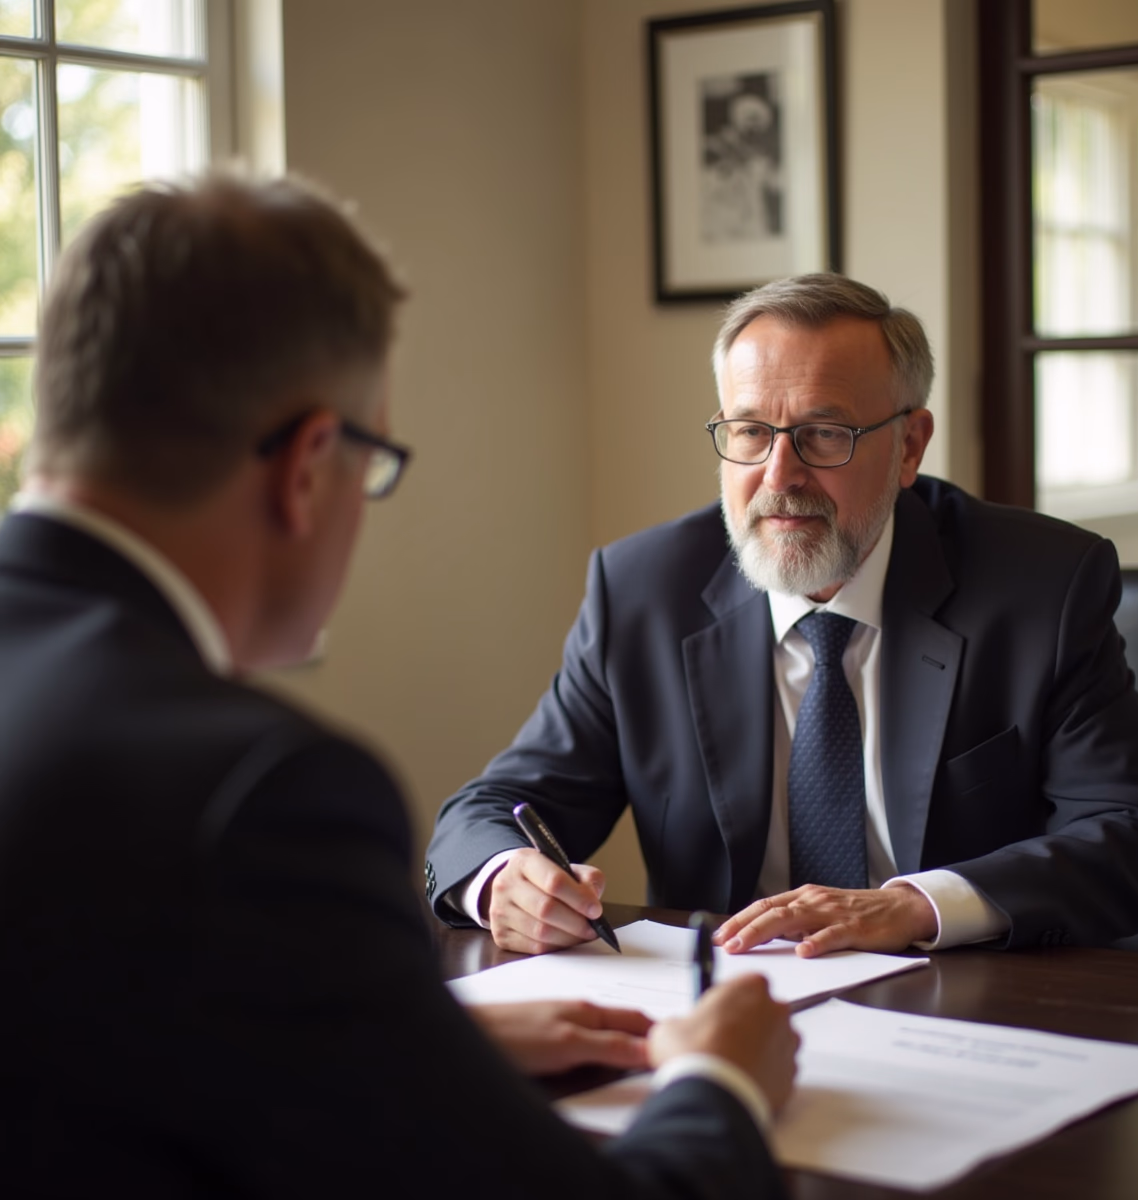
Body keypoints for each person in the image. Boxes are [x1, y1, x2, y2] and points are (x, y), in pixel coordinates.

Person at [0, 174, 798, 1198]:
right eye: (374, 461)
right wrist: (721, 1085)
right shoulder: (259, 791)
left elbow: (78, 1029)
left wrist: (419, 1046)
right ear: (308, 464)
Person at [425, 273, 1138, 959]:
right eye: (751, 431)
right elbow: (496, 807)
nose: (779, 475)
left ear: (908, 447)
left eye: (826, 433)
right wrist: (501, 880)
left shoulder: (1041, 588)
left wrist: (912, 907)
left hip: (974, 1008)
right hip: (734, 1013)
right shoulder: (642, 593)